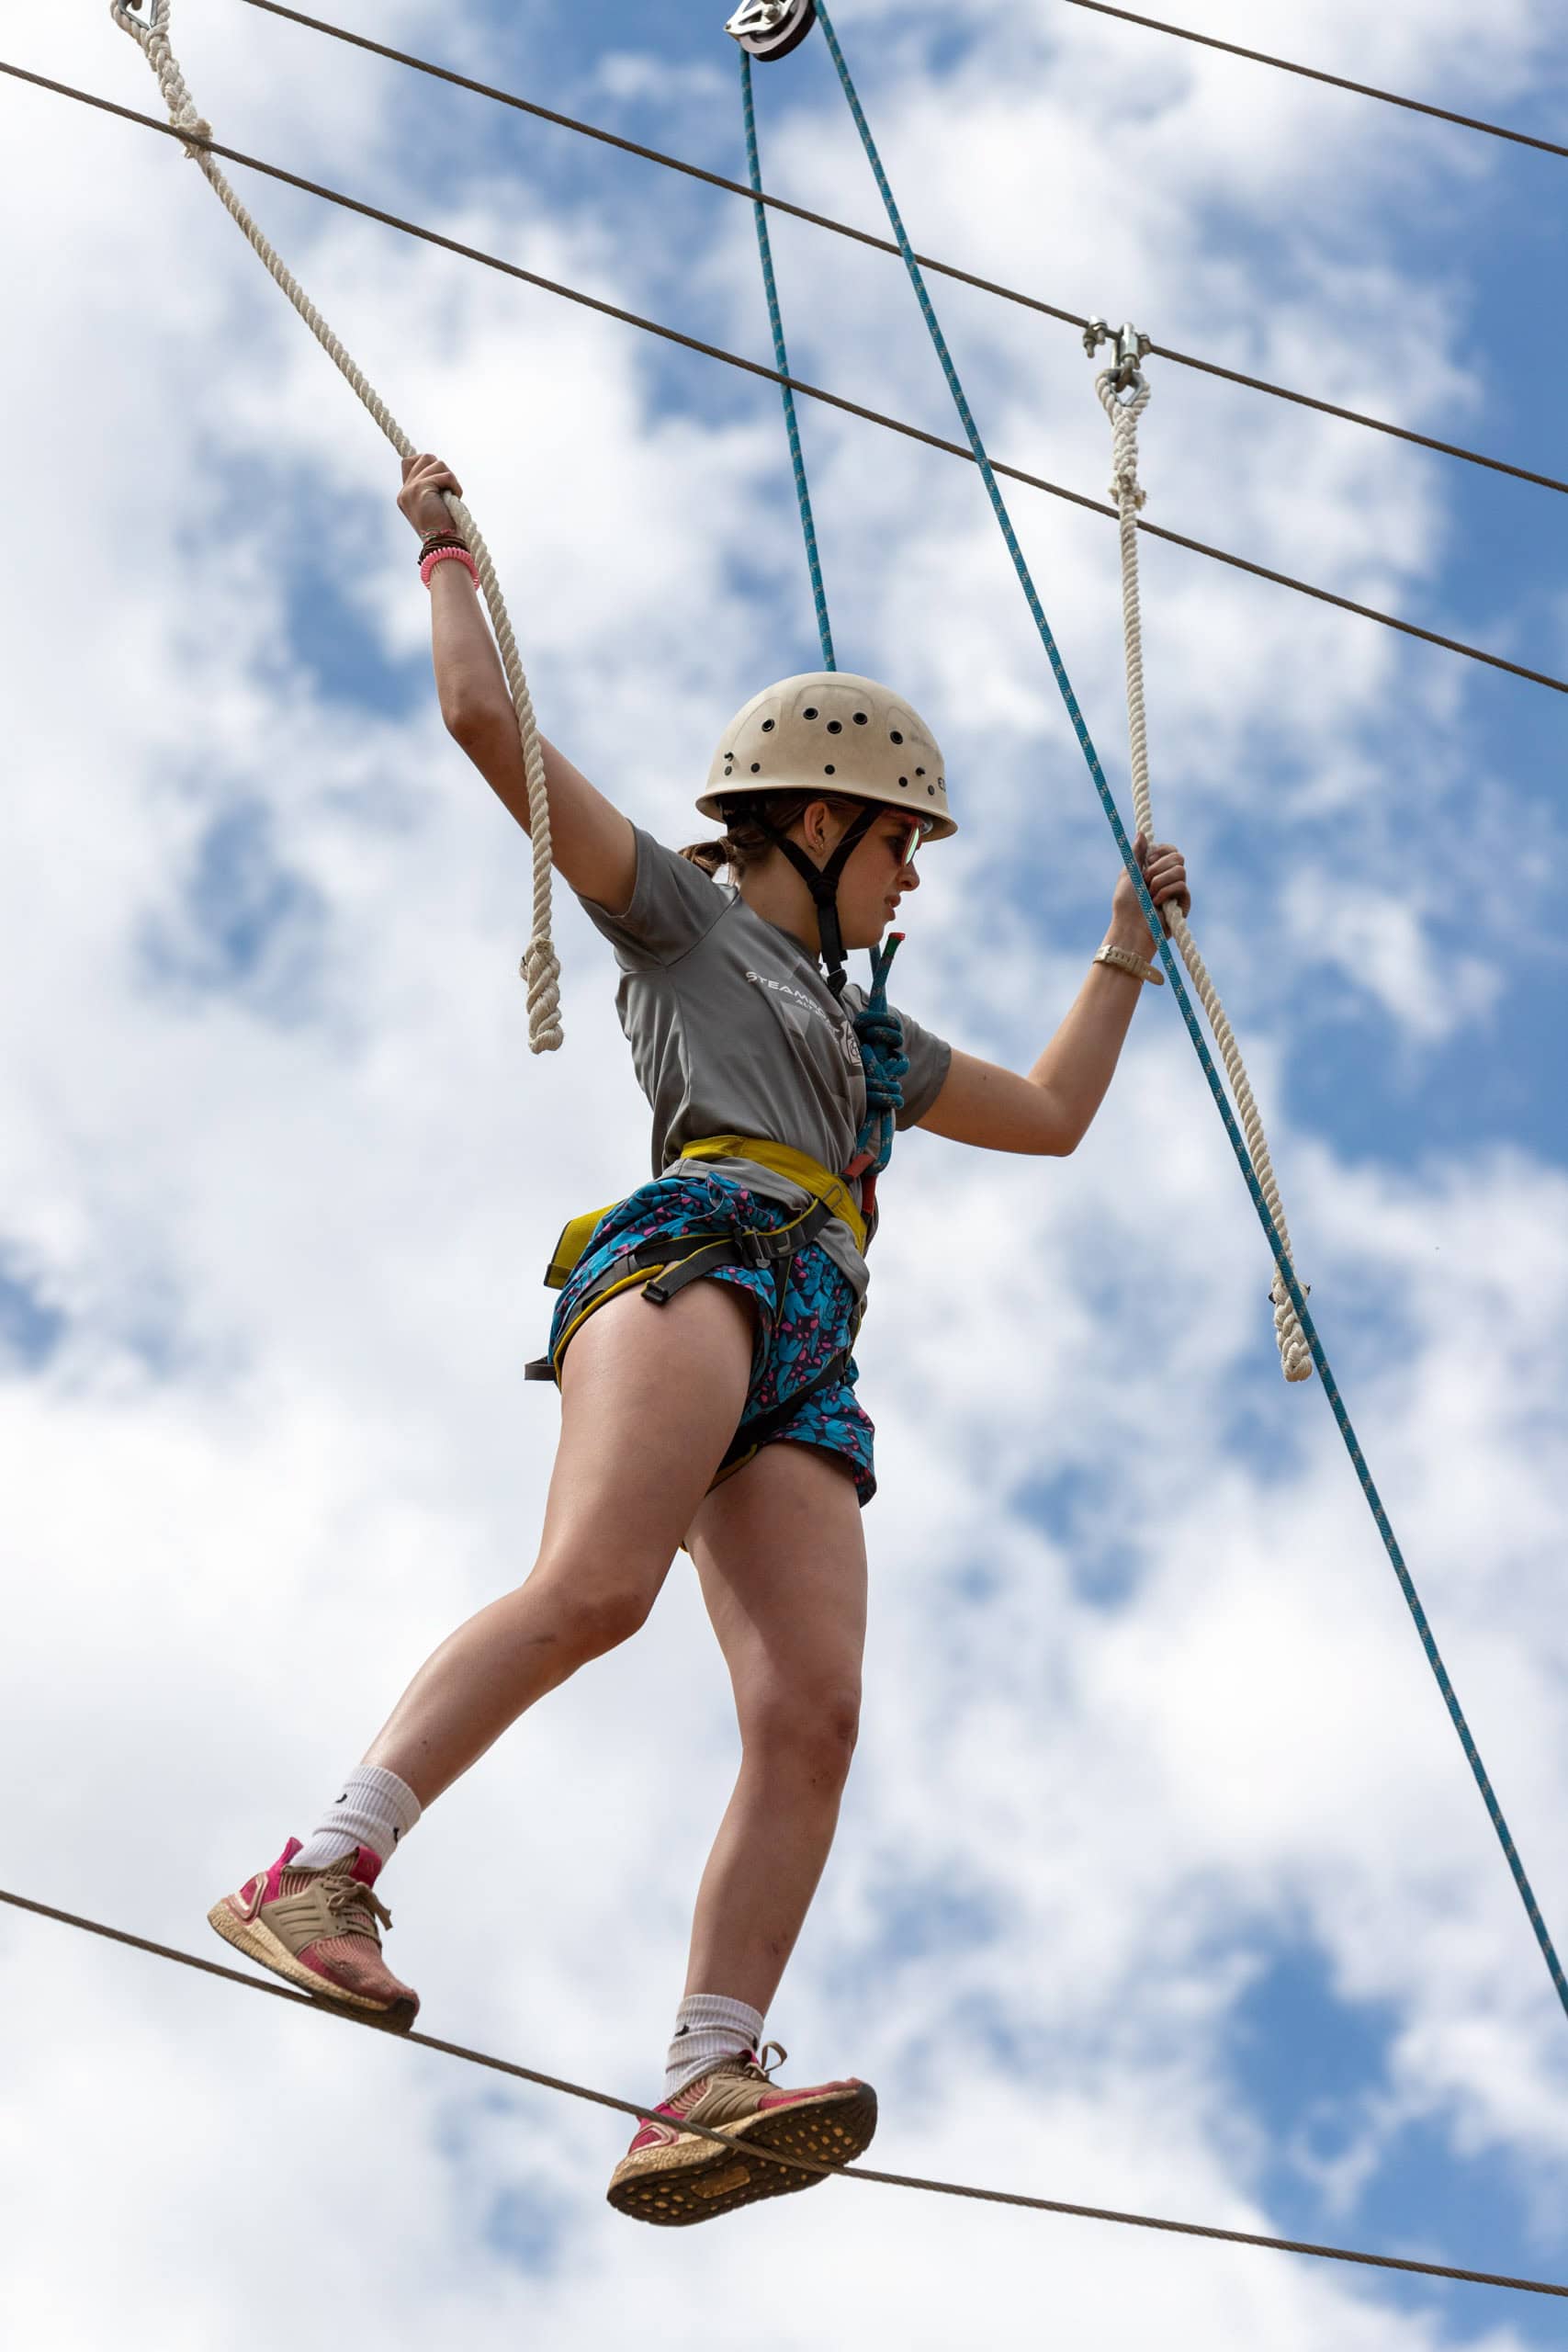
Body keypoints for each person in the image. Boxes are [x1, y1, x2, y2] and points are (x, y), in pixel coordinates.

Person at [209, 454, 1190, 2228]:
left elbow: (1050, 1115)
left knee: (811, 1712)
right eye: (902, 842)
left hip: (811, 1327)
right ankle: (324, 1864)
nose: (913, 881)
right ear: (815, 822)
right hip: (702, 1254)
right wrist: (447, 545)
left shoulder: (871, 1046)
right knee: (597, 1587)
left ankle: (702, 2076)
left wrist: (1124, 956)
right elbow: (479, 718)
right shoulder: (683, 919)